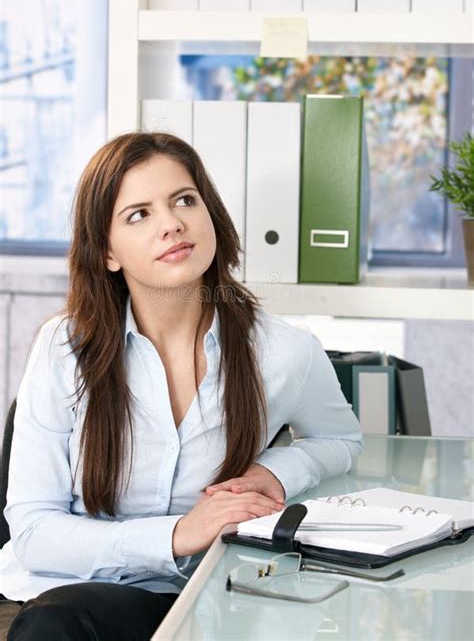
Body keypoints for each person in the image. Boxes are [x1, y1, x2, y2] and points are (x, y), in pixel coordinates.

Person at [1, 132, 363, 639]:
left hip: (219, 597)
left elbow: (342, 439)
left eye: (184, 200)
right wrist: (176, 534)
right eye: (138, 214)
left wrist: (275, 473)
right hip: (80, 596)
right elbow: (34, 529)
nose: (172, 224)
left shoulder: (283, 350)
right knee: (56, 625)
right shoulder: (64, 347)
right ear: (107, 252)